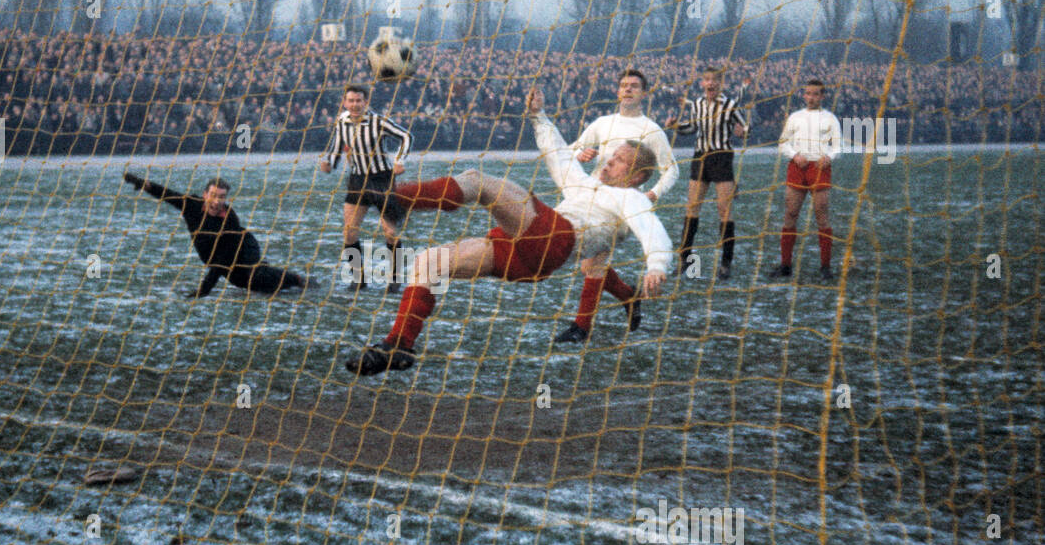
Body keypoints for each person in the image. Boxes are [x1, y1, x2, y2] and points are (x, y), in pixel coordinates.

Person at [344, 88, 670, 375]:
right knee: (429, 262)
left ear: (638, 177)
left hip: (555, 238)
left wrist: (657, 265)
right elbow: (559, 156)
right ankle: (399, 345)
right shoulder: (587, 183)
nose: (610, 161)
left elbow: (651, 228)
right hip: (528, 258)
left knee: (481, 182)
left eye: (621, 160)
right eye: (612, 155)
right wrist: (539, 116)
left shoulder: (631, 198)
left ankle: (395, 198)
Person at [553, 68, 677, 343]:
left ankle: (581, 327)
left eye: (634, 85)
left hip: (623, 204)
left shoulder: (652, 131)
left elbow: (672, 170)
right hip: (593, 197)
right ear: (618, 91)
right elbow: (570, 150)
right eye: (623, 85)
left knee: (595, 262)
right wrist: (580, 154)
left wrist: (653, 194)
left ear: (643, 93)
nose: (628, 89)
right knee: (588, 265)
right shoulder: (602, 123)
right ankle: (628, 296)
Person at [124, 172, 309, 297]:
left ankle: (299, 281)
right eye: (213, 195)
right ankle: (290, 282)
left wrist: (204, 290)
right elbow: (165, 194)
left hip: (243, 248)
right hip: (223, 259)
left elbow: (221, 260)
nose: (217, 201)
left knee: (255, 276)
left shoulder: (229, 219)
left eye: (221, 197)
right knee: (248, 285)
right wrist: (142, 184)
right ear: (205, 195)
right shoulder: (191, 205)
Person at [319, 84, 413, 292]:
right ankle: (358, 279)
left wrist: (400, 161)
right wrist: (329, 163)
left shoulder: (378, 121)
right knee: (349, 233)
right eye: (350, 101)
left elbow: (406, 137)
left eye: (358, 101)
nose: (354, 105)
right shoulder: (342, 122)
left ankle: (395, 279)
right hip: (357, 180)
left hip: (382, 180)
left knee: (390, 232)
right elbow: (336, 147)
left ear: (366, 102)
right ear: (345, 102)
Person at [666, 67, 749, 279]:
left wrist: (743, 131)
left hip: (721, 158)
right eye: (707, 80)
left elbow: (745, 127)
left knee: (724, 209)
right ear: (702, 83)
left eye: (714, 80)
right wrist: (676, 126)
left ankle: (726, 263)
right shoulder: (697, 104)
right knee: (692, 207)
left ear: (721, 83)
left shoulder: (729, 105)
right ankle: (685, 259)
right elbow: (692, 129)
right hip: (701, 157)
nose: (710, 83)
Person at [771, 78, 841, 281]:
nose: (811, 97)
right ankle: (785, 265)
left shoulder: (830, 118)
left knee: (821, 213)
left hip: (819, 167)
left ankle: (825, 266)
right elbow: (783, 143)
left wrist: (829, 156)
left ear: (822, 96)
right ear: (804, 95)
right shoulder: (795, 117)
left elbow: (838, 146)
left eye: (816, 94)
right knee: (791, 213)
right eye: (808, 94)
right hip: (797, 167)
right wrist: (794, 155)